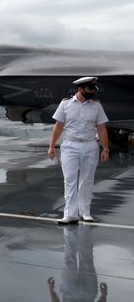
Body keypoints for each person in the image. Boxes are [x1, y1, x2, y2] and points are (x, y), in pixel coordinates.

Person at [48, 77, 109, 225]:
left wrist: (105, 148)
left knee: (87, 180)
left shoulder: (96, 106)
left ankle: (85, 212)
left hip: (90, 146)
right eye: (89, 89)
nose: (92, 92)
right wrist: (51, 146)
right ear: (80, 89)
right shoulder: (65, 104)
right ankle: (70, 215)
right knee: (70, 180)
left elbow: (101, 128)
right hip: (70, 146)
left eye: (94, 90)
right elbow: (58, 126)